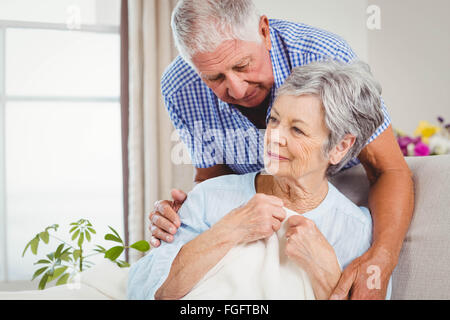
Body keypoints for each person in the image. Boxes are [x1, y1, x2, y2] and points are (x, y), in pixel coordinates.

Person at [149, 0, 414, 300]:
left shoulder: (325, 56)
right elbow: (211, 178)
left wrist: (381, 257)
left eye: (242, 65)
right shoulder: (180, 87)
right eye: (215, 78)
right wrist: (188, 213)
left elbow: (388, 168)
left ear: (263, 31)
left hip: (321, 197)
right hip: (248, 205)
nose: (236, 90)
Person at [128, 60, 391, 300]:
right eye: (274, 120)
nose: (274, 136)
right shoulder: (208, 197)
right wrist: (232, 228)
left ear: (339, 147)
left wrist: (326, 273)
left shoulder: (357, 232)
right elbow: (155, 294)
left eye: (297, 129)